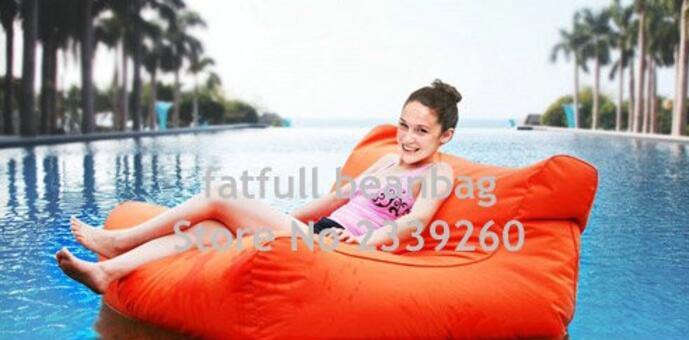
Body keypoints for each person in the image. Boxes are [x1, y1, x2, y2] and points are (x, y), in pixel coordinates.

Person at [55, 79, 460, 294]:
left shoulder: (438, 174)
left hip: (345, 250)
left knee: (221, 192)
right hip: (315, 234)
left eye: (421, 131)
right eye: (403, 125)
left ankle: (120, 241)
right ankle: (108, 271)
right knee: (209, 229)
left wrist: (364, 241)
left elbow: (415, 221)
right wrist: (278, 218)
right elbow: (333, 199)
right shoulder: (385, 159)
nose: (408, 138)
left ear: (445, 136)